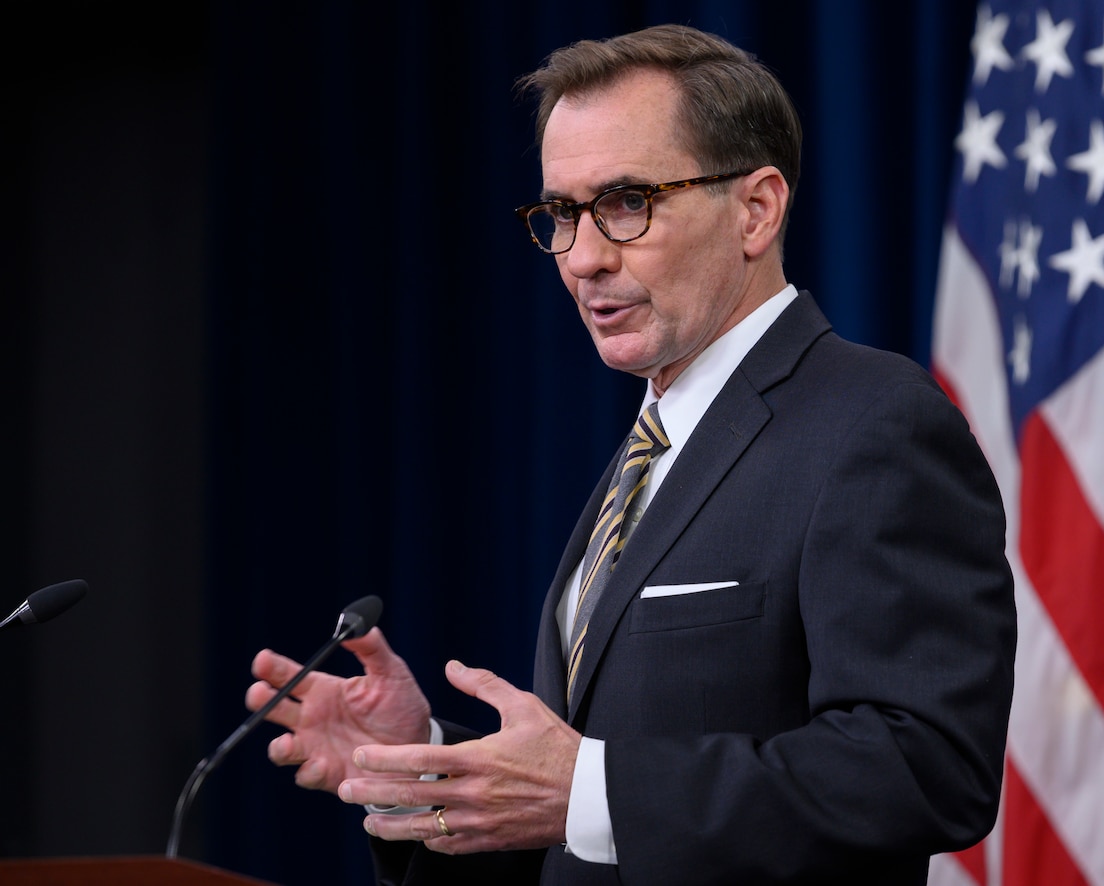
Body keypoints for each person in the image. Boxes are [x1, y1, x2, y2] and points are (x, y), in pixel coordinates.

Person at [245, 23, 1017, 885]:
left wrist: (585, 789)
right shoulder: (658, 442)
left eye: (625, 203)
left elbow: (925, 768)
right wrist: (427, 767)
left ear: (756, 209)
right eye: (561, 215)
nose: (582, 258)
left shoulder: (873, 425)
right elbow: (589, 832)